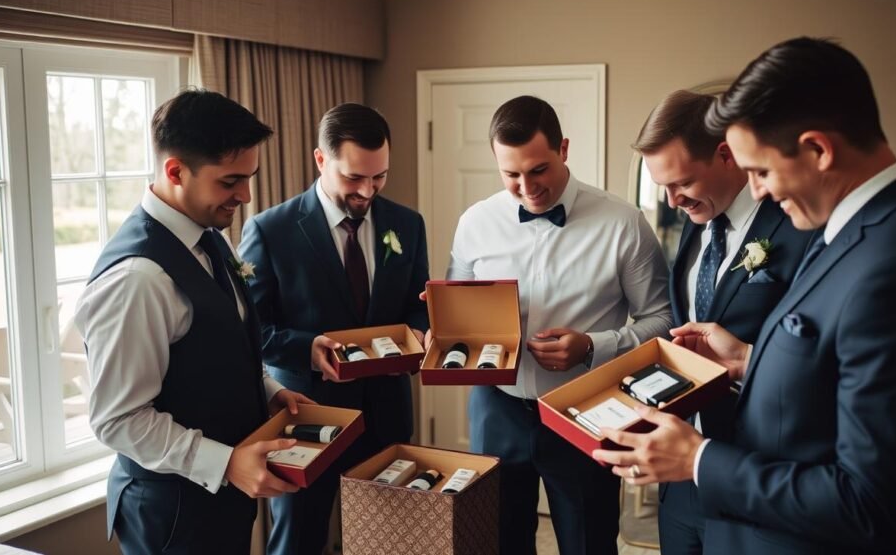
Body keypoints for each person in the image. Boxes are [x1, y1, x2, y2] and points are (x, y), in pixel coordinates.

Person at [593, 37, 896, 554]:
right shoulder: (859, 232)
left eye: (760, 171)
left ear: (818, 149)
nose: (757, 192)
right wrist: (746, 360)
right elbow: (835, 369)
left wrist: (699, 459)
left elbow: (873, 504)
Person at [77, 89, 312, 555]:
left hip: (219, 500)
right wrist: (226, 464)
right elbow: (118, 420)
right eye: (230, 182)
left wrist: (267, 390)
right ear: (175, 171)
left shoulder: (205, 233)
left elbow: (220, 340)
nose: (245, 196)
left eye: (250, 178)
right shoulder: (138, 280)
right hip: (172, 514)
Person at [446, 95, 672, 555]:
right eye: (511, 175)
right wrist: (446, 330)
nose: (527, 187)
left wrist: (594, 346)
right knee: (498, 540)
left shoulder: (623, 224)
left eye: (538, 170)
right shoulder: (475, 223)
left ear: (563, 149)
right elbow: (456, 312)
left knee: (588, 542)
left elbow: (664, 321)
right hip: (497, 407)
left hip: (587, 409)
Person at [238, 103, 430, 555]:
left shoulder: (407, 224)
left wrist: (422, 332)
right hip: (308, 414)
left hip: (387, 413)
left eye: (379, 176)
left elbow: (417, 306)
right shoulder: (270, 230)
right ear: (321, 160)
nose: (368, 190)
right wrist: (307, 350)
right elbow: (252, 331)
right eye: (354, 178)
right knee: (299, 539)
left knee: (389, 540)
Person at [635, 89, 812, 554]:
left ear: (726, 153)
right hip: (681, 474)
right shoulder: (695, 224)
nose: (673, 200)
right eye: (664, 188)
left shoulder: (797, 226)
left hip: (757, 471)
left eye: (683, 182)